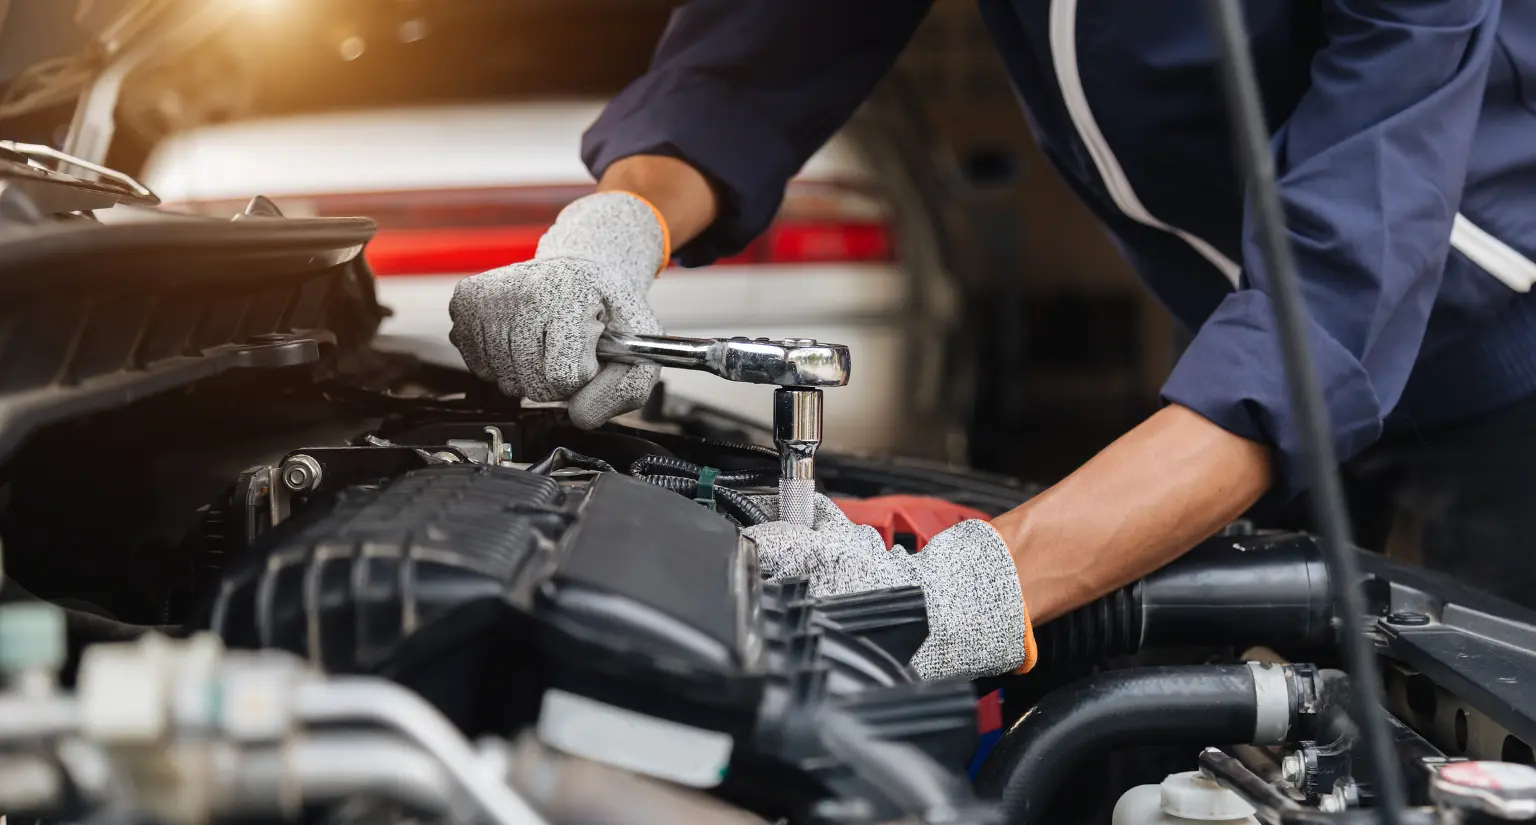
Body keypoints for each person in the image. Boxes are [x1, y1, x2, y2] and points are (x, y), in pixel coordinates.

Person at [451, 0, 1536, 680]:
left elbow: (1335, 307)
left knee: (1487, 730)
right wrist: (610, 235)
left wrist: (973, 585)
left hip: (1498, 344)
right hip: (1234, 339)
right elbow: (749, 59)